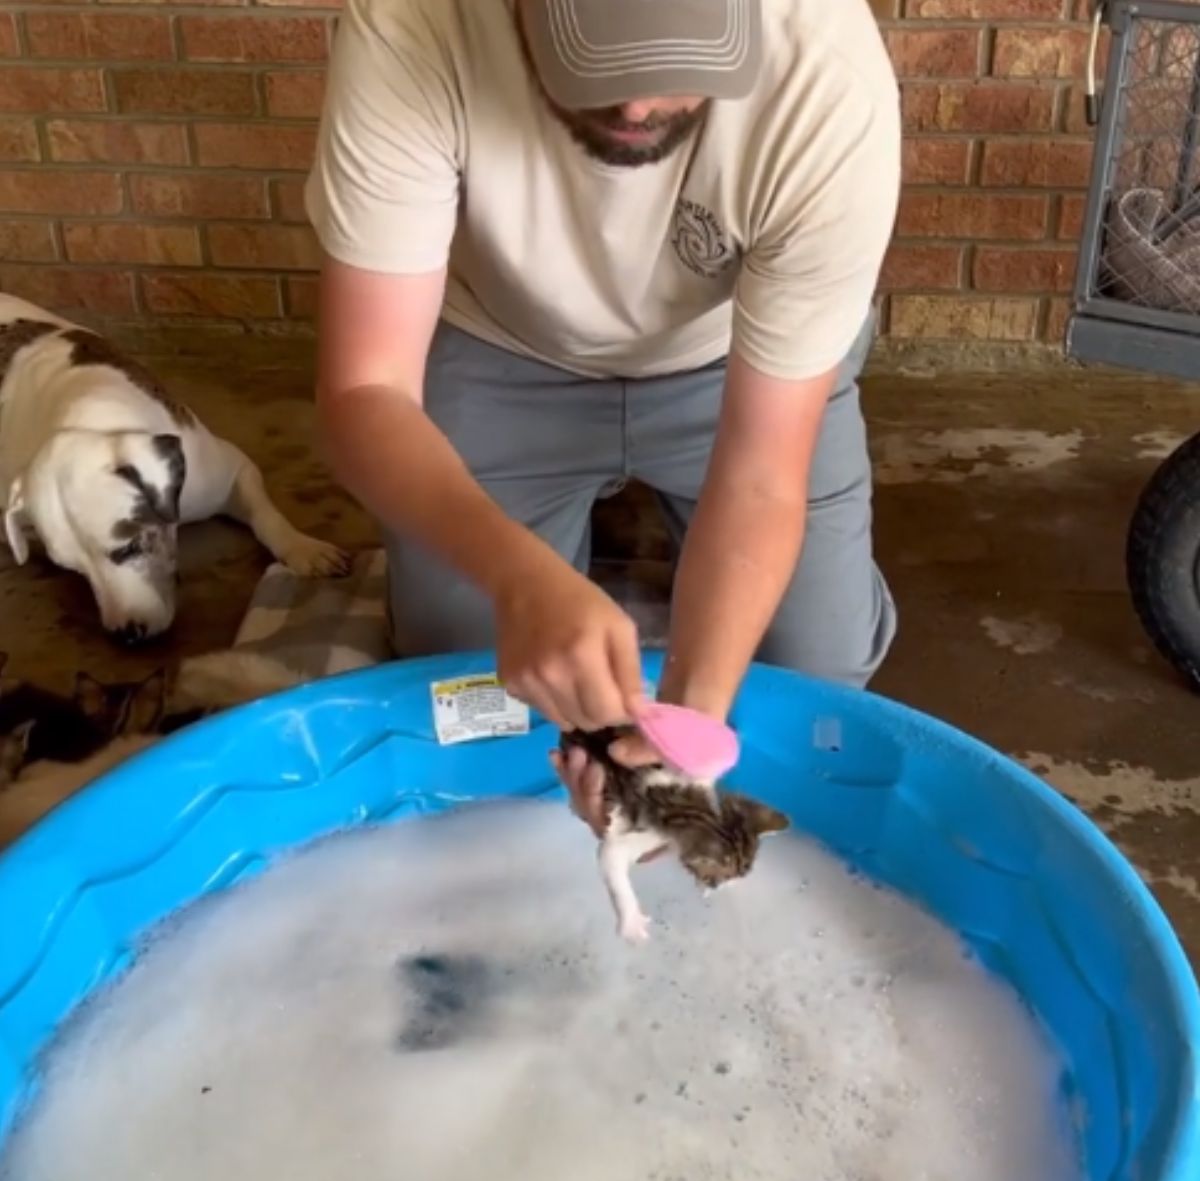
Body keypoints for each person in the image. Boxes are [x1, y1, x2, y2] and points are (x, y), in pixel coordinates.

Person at [304, 0, 901, 819]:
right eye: (600, 62)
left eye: (680, 64)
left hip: (733, 359)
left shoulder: (828, 80)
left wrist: (690, 719)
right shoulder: (413, 23)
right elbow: (365, 391)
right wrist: (515, 576)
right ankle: (564, 535)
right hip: (504, 347)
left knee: (814, 673)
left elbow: (763, 475)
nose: (638, 106)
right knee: (467, 682)